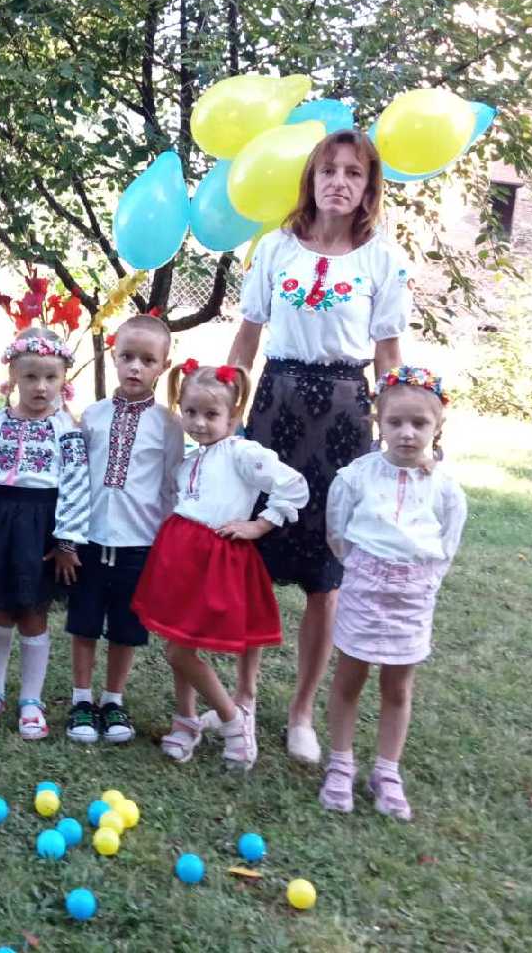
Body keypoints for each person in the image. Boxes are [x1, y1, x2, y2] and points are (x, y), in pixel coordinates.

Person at [226, 128, 412, 766]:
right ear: (311, 177)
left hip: (342, 414)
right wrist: (228, 404)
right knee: (255, 557)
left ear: (368, 187)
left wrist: (397, 426)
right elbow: (247, 337)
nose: (339, 181)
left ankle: (302, 712)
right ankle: (245, 697)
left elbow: (388, 354)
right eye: (328, 170)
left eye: (353, 173)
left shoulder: (381, 261)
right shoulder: (276, 250)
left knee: (325, 575)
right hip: (276, 404)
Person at [132, 362, 309, 771]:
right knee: (179, 641)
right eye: (190, 412)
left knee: (179, 652)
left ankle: (233, 721)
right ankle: (185, 720)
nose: (199, 422)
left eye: (211, 414)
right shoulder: (192, 457)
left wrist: (260, 524)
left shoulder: (242, 453)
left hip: (214, 559)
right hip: (180, 558)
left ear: (233, 415)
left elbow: (292, 485)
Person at [320, 367, 466, 820]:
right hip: (364, 589)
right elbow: (338, 533)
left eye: (419, 424)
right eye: (396, 422)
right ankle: (341, 763)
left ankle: (387, 771)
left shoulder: (445, 489)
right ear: (377, 422)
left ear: (437, 426)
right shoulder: (356, 478)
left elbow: (447, 543)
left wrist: (421, 579)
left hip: (413, 596)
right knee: (350, 676)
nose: (407, 433)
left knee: (398, 686)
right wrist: (367, 568)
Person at [0, 328, 90, 741]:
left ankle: (31, 699)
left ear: (63, 380)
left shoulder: (66, 430)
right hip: (0, 523)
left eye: (51, 377)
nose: (41, 386)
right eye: (31, 376)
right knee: (0, 609)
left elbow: (76, 485)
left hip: (42, 528)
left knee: (34, 613)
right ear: (13, 377)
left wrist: (66, 541)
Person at [65, 314, 183, 745]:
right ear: (113, 357)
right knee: (84, 623)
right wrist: (69, 537)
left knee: (125, 628)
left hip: (140, 546)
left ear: (163, 367)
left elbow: (171, 486)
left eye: (147, 360)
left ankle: (113, 699)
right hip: (91, 540)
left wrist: (166, 546)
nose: (136, 367)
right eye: (127, 357)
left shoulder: (169, 425)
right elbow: (76, 479)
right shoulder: (93, 416)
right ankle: (81, 699)